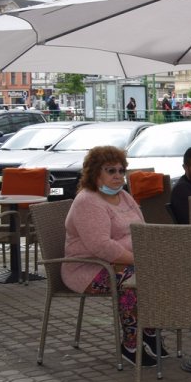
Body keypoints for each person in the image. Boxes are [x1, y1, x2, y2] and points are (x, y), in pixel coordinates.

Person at [62, 145, 161, 367]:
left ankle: (150, 331)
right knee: (134, 280)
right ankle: (131, 345)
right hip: (89, 268)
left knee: (163, 271)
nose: (118, 175)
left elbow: (143, 229)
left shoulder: (123, 196)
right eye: (110, 170)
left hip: (123, 262)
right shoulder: (88, 201)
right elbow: (101, 246)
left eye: (121, 170)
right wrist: (140, 260)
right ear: (95, 173)